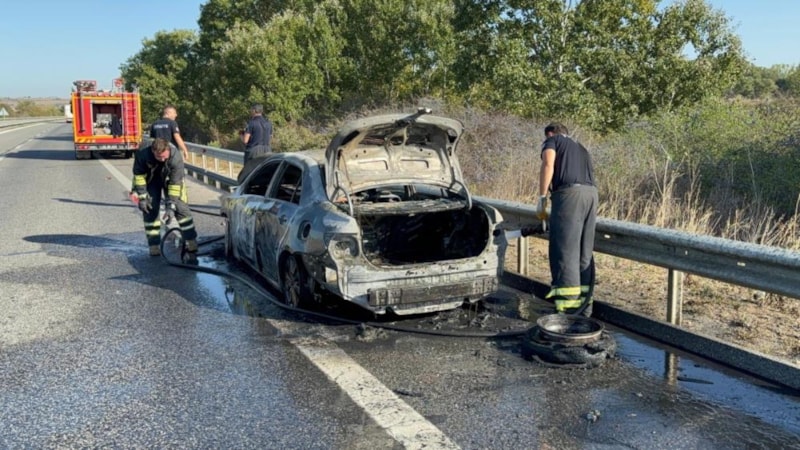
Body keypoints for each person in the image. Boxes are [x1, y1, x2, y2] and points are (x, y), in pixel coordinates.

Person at [537, 122, 598, 317]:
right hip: (591, 195)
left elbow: (548, 163)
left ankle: (567, 308)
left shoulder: (553, 141)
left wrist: (542, 197)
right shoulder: (581, 148)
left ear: (551, 133)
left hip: (569, 195)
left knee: (564, 251)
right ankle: (585, 307)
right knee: (584, 252)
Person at [132, 138, 198, 262]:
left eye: (164, 157)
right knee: (150, 209)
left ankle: (191, 240)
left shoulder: (175, 157)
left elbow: (175, 182)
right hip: (151, 180)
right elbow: (139, 176)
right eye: (159, 157)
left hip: (170, 179)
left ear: (168, 150)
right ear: (153, 151)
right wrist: (142, 197)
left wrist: (171, 205)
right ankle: (154, 245)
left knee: (181, 208)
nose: (162, 160)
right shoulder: (142, 153)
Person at [237, 103, 274, 183]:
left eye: (251, 110)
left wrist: (241, 135)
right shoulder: (268, 123)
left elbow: (245, 140)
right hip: (267, 150)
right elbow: (270, 137)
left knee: (248, 175)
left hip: (254, 151)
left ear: (254, 111)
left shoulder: (252, 123)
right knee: (265, 173)